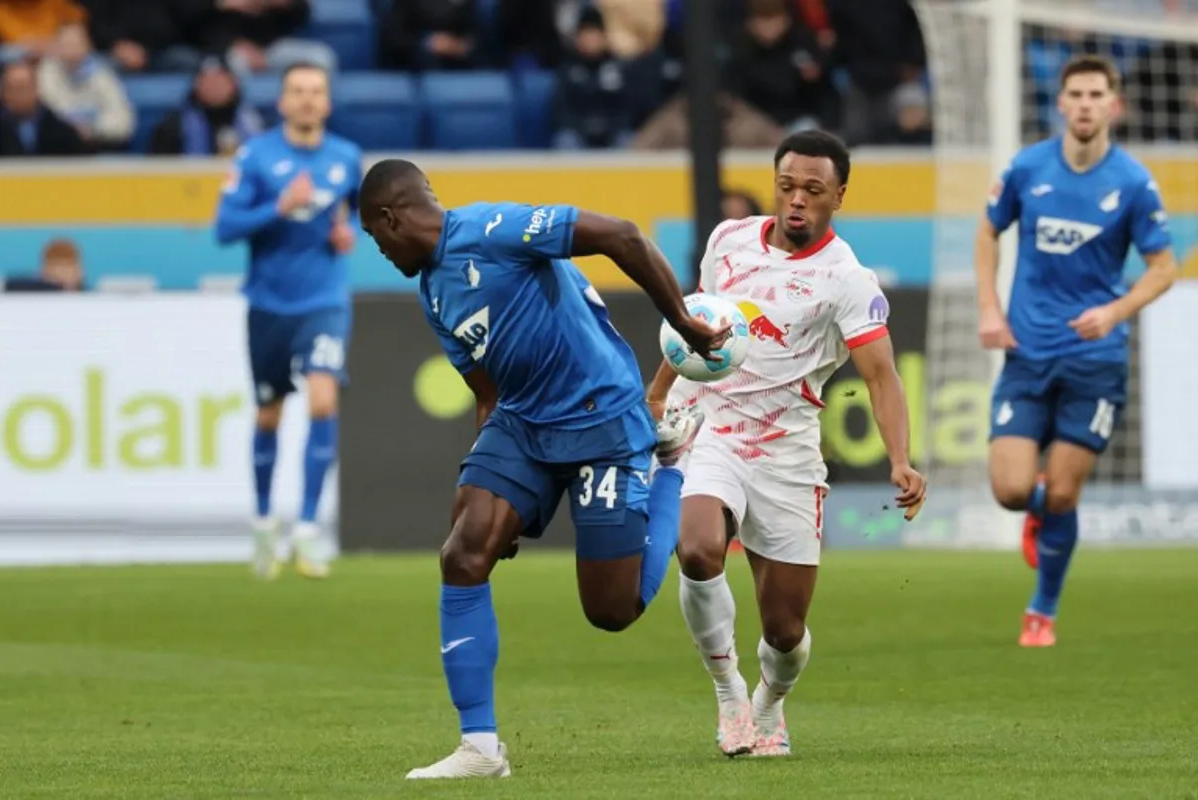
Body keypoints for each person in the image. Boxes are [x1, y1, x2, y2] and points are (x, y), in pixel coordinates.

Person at [357, 157, 730, 779]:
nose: (380, 252)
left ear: (391, 219)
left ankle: (670, 465)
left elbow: (623, 236)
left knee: (612, 611)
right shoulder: (433, 293)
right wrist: (495, 493)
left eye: (375, 238)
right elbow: (488, 395)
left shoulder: (493, 228)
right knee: (464, 550)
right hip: (524, 425)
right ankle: (479, 748)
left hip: (603, 420)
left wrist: (683, 323)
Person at [646, 129, 927, 758]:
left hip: (786, 450)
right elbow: (697, 327)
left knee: (785, 628)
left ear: (840, 196)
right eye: (787, 186)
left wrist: (902, 460)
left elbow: (880, 376)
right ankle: (727, 694)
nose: (797, 199)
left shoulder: (846, 279)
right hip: (712, 423)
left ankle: (770, 704)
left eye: (813, 190)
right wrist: (658, 395)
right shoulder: (729, 240)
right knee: (695, 548)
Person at [975, 55, 1176, 648]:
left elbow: (1164, 268)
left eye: (1097, 94)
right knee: (1012, 491)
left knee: (1065, 492)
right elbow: (988, 232)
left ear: (1113, 105)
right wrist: (990, 307)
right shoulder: (1027, 168)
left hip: (1096, 359)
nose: (1086, 104)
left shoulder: (1134, 183)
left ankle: (1043, 611)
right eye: (1076, 94)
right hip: (1028, 353)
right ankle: (1041, 514)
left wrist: (1114, 312)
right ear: (1060, 104)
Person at [214, 62, 362, 581]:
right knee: (269, 415)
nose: (305, 100)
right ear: (281, 102)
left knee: (323, 397)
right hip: (269, 305)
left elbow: (356, 217)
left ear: (326, 102)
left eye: (315, 91)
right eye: (296, 91)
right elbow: (224, 227)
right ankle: (262, 525)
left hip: (323, 301)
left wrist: (350, 237)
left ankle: (307, 529)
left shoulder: (346, 157)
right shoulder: (256, 156)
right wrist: (279, 207)